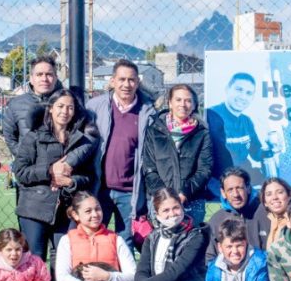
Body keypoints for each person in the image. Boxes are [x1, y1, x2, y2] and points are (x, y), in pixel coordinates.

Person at [14, 89, 98, 260]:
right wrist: (49, 171)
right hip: (35, 209)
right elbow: (21, 171)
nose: (64, 112)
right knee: (33, 259)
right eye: (60, 106)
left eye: (70, 108)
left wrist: (70, 182)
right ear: (50, 108)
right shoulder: (34, 136)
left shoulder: (80, 140)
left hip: (65, 210)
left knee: (63, 260)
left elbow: (89, 176)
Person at [86, 60, 156, 244]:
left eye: (131, 80)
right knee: (94, 240)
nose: (127, 84)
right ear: (113, 81)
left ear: (138, 82)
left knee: (126, 242)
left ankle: (127, 275)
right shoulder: (94, 107)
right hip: (100, 189)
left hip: (130, 191)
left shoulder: (148, 112)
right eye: (122, 79)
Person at [141, 83, 213, 227]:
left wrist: (184, 193)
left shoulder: (202, 134)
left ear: (194, 105)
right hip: (161, 202)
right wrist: (165, 197)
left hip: (192, 202)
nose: (183, 104)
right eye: (178, 100)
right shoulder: (154, 130)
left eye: (188, 100)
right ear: (170, 103)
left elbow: (205, 169)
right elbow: (149, 168)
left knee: (190, 246)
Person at [206, 72, 276, 195]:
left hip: (243, 176)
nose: (243, 97)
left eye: (249, 93)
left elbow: (256, 153)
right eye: (239, 90)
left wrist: (269, 147)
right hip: (219, 179)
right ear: (227, 89)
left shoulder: (246, 121)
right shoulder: (211, 116)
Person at [205, 167, 270, 263]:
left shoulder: (266, 212)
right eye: (230, 190)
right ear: (223, 193)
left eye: (239, 188)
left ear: (248, 188)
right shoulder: (216, 220)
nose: (235, 194)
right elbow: (210, 258)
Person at [3, 56, 63, 158]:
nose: (44, 79)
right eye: (39, 74)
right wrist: (24, 158)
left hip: (60, 167)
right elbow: (10, 137)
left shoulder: (67, 103)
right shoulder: (16, 104)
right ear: (31, 79)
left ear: (56, 78)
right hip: (29, 168)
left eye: (49, 74)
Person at [261, 177, 291, 243]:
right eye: (269, 194)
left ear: (289, 196)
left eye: (280, 192)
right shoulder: (265, 221)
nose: (274, 197)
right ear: (265, 203)